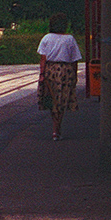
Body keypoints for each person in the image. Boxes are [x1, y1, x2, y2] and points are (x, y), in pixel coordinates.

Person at [37, 12, 82, 140]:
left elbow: (43, 58)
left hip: (51, 70)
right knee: (62, 100)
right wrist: (74, 75)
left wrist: (42, 74)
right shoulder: (70, 39)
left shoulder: (46, 38)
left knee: (52, 99)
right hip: (66, 71)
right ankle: (57, 129)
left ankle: (55, 128)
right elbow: (74, 59)